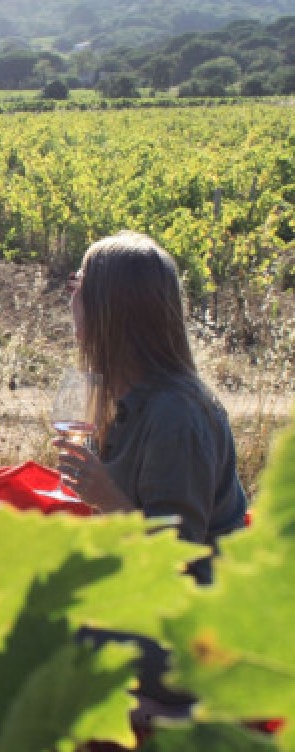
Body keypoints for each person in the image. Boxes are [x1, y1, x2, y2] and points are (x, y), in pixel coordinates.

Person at [54, 231, 249, 720]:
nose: (71, 298)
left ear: (112, 310)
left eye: (80, 286)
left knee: (43, 637)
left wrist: (107, 496)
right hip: (156, 600)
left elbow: (178, 555)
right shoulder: (127, 397)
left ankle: (171, 711)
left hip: (196, 625)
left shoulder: (175, 416)